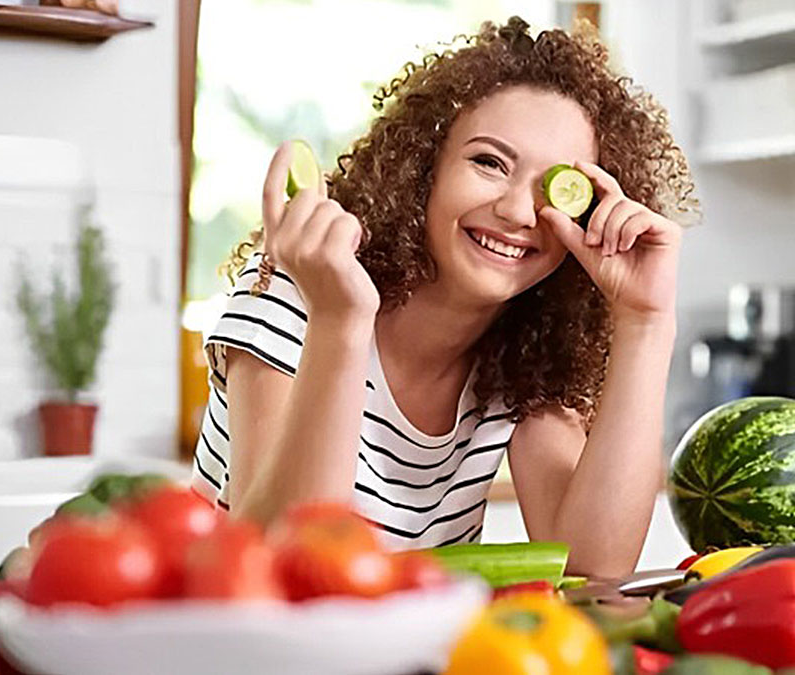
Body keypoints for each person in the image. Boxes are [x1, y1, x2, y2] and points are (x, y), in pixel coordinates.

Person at [191, 16, 697, 577]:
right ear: (424, 169)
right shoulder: (299, 295)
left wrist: (646, 323)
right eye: (488, 163)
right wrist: (341, 323)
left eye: (554, 186)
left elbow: (593, 568)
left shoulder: (525, 358)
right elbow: (281, 560)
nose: (517, 212)